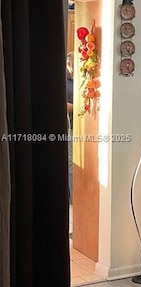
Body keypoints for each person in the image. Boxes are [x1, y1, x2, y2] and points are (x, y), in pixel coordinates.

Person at [66, 53, 74, 200]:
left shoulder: (78, 81)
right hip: (70, 128)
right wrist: (78, 106)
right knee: (72, 165)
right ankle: (74, 198)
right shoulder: (64, 81)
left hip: (84, 129)